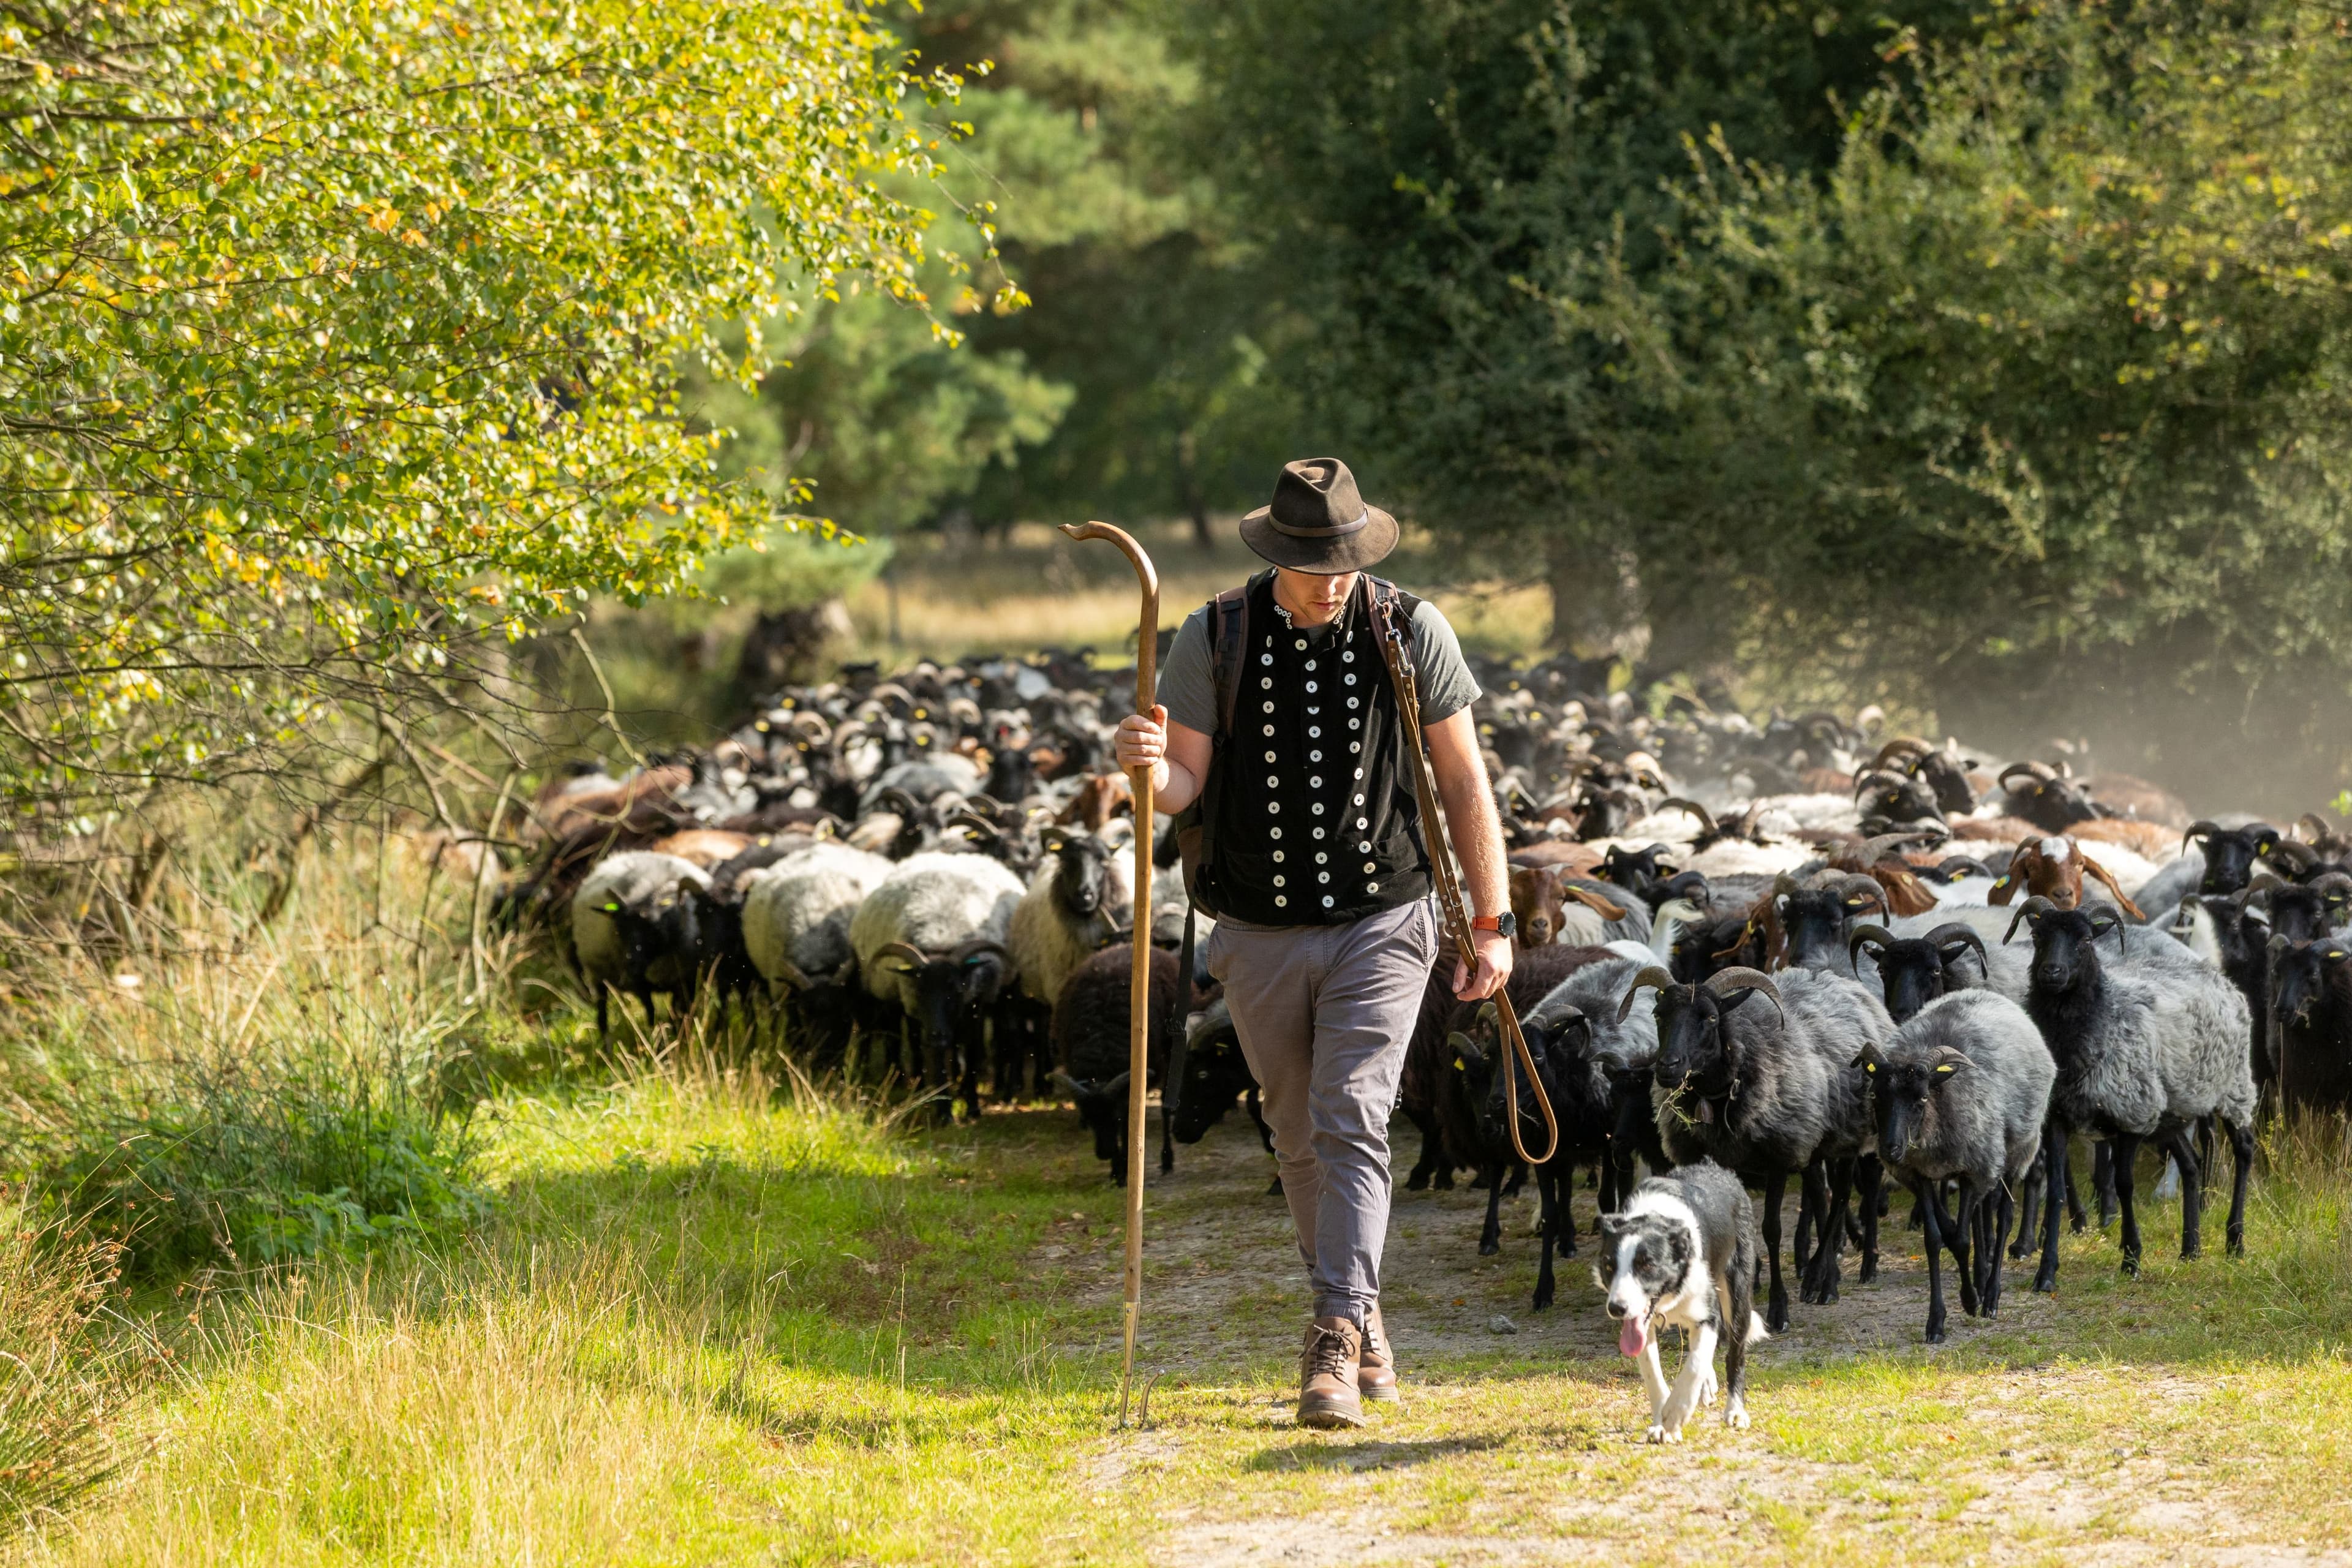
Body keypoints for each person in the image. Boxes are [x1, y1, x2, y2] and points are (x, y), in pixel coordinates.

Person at [1114, 456, 1514, 1428]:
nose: (1332, 578)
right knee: (1295, 1133)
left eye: (1345, 559)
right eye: (1313, 562)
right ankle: (1363, 1312)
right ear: (1275, 553)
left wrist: (1494, 923)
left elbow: (1464, 782)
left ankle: (1332, 1332)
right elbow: (1183, 789)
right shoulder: (1218, 631)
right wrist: (1146, 763)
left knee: (1351, 1115)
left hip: (1386, 915)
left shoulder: (1409, 627)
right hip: (1253, 928)